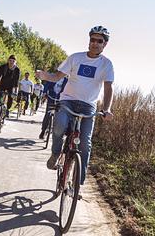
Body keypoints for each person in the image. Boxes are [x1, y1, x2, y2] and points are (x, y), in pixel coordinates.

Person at [35, 25, 114, 186]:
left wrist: (107, 109)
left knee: (85, 142)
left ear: (105, 44)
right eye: (93, 40)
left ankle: (78, 181)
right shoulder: (75, 58)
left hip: (88, 106)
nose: (95, 43)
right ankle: (56, 153)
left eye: (99, 41)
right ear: (89, 40)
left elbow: (108, 87)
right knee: (59, 126)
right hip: (68, 101)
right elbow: (57, 77)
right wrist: (44, 76)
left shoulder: (106, 64)